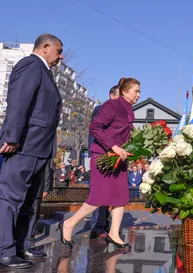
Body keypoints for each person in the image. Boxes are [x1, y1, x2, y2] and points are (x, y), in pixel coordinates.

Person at [0, 33, 63, 269]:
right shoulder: (30, 65)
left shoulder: (45, 71)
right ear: (45, 47)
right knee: (10, 198)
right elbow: (18, 102)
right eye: (58, 51)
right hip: (24, 145)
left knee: (29, 202)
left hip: (39, 148)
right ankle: (4, 250)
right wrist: (13, 137)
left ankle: (21, 246)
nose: (60, 56)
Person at [60, 77, 141, 250]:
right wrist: (113, 146)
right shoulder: (112, 105)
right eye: (136, 91)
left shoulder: (128, 109)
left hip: (118, 157)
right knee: (99, 197)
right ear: (125, 91)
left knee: (120, 196)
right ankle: (69, 223)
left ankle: (114, 233)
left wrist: (128, 148)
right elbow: (95, 127)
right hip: (103, 156)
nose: (139, 95)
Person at [88, 85, 119, 239]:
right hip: (101, 156)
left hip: (112, 156)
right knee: (99, 192)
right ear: (111, 95)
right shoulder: (102, 109)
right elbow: (96, 131)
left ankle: (104, 224)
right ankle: (97, 226)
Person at [30, 159, 54, 246]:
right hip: (23, 187)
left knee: (34, 213)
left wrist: (46, 189)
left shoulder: (43, 151)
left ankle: (30, 236)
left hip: (37, 188)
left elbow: (47, 171)